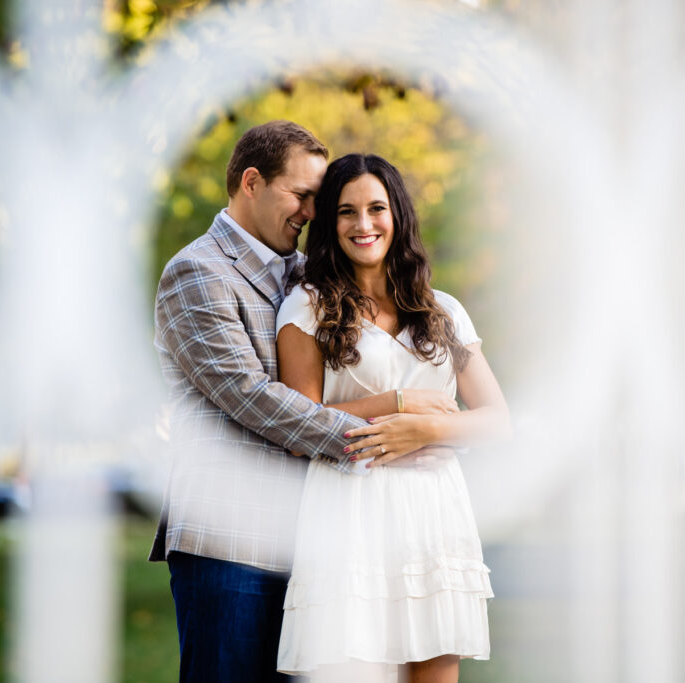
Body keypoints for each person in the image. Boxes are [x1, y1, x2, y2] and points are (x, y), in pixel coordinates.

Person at [151, 122, 458, 682]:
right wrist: (393, 424)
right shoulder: (196, 273)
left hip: (319, 539)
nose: (312, 213)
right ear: (251, 182)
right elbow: (254, 398)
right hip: (230, 541)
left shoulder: (306, 277)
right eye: (302, 196)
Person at [274, 153, 512, 682]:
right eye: (346, 212)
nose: (363, 225)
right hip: (349, 516)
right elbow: (297, 427)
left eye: (376, 208)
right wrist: (398, 404)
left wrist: (429, 430)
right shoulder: (306, 307)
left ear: (397, 215)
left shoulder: (442, 310)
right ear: (329, 224)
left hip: (433, 518)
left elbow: (496, 419)